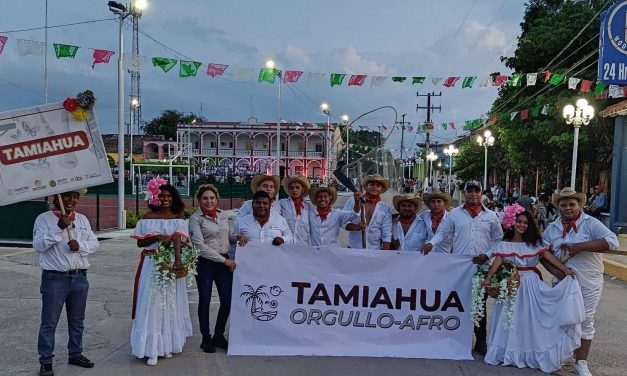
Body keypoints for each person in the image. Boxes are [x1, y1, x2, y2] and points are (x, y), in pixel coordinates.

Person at [482, 205, 584, 373]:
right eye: (519, 222)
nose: (522, 225)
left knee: (531, 320)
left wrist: (565, 270)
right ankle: (509, 352)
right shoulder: (504, 244)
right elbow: (497, 262)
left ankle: (532, 352)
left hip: (530, 284)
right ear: (512, 222)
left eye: (525, 223)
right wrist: (488, 279)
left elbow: (549, 257)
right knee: (510, 319)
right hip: (511, 284)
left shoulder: (535, 243)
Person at [542, 187, 619, 376]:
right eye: (563, 205)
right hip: (562, 282)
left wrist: (580, 247)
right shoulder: (552, 228)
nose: (568, 208)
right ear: (558, 206)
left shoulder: (591, 223)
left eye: (572, 204)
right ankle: (560, 357)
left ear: (579, 205)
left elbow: (612, 241)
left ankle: (581, 362)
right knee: (561, 319)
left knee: (585, 321)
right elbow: (542, 253)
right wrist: (556, 271)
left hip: (588, 281)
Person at [422, 180, 504, 354]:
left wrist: (488, 254)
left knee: (479, 304)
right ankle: (459, 338)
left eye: (476, 191)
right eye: (469, 191)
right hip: (460, 266)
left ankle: (480, 340)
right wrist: (431, 244)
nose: (473, 194)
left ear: (481, 193)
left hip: (481, 266)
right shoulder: (454, 215)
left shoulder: (491, 216)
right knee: (458, 303)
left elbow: (499, 239)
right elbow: (443, 233)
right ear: (464, 193)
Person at [33, 189, 99, 376]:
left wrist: (81, 246)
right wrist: (58, 228)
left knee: (77, 320)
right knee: (49, 322)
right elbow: (38, 246)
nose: (71, 200)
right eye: (66, 196)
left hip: (79, 277)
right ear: (57, 197)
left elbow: (94, 243)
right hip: (55, 278)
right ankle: (46, 360)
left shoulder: (83, 219)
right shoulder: (44, 219)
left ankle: (75, 353)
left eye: (75, 196)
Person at [130, 182, 193, 366]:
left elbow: (181, 241)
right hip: (151, 264)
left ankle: (167, 346)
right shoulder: (148, 217)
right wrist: (157, 237)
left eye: (169, 196)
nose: (165, 199)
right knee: (152, 303)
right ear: (155, 197)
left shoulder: (179, 217)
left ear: (174, 198)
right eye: (162, 196)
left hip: (172, 266)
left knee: (170, 303)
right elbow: (140, 244)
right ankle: (151, 349)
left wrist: (178, 259)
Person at [189, 184, 238, 354]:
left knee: (227, 300)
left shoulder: (222, 215)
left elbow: (227, 237)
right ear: (199, 201)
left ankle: (218, 334)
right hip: (205, 263)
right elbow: (199, 246)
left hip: (223, 262)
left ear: (217, 199)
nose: (209, 201)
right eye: (205, 198)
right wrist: (224, 261)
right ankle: (205, 338)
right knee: (205, 299)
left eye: (212, 198)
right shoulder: (196, 219)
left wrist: (237, 238)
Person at [343, 174, 392, 250]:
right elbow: (343, 221)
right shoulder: (353, 201)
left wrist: (384, 255)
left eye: (378, 186)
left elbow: (386, 233)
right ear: (366, 186)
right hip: (354, 249)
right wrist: (356, 227)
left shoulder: (385, 208)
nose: (375, 187)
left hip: (375, 251)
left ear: (381, 189)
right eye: (372, 184)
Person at [279, 176, 312, 245]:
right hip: (286, 245)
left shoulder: (308, 206)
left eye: (297, 187)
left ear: (302, 189)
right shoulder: (282, 203)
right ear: (288, 190)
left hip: (303, 245)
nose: (294, 190)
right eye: (292, 188)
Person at [418, 188, 452, 253]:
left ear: (444, 203)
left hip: (446, 255)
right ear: (429, 204)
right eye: (433, 201)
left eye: (439, 201)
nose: (436, 204)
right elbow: (413, 219)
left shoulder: (450, 217)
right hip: (428, 255)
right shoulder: (425, 215)